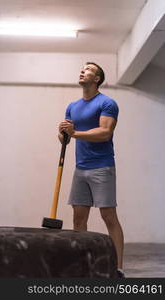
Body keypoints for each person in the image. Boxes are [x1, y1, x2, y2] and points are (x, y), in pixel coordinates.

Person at [58, 62, 125, 278]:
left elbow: (105, 132)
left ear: (97, 79)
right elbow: (66, 140)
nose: (82, 70)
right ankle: (82, 266)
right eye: (82, 68)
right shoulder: (73, 106)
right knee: (78, 219)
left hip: (102, 166)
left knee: (108, 216)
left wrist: (75, 133)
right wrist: (63, 133)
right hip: (81, 168)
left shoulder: (107, 103)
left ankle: (117, 268)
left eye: (88, 69)